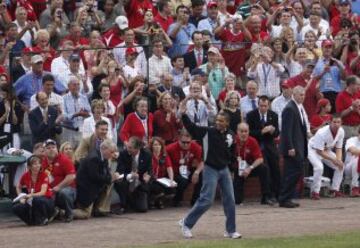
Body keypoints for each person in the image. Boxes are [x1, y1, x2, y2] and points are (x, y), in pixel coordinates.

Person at [178, 102, 241, 239]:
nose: (218, 122)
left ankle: (231, 230)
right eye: (217, 120)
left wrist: (232, 170)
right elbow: (192, 128)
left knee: (230, 199)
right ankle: (186, 224)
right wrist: (184, 115)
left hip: (224, 170)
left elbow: (232, 153)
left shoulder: (231, 135)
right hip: (210, 168)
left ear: (227, 123)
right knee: (207, 200)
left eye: (221, 121)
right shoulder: (208, 132)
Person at [278, 86, 308, 208]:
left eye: (303, 94)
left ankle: (287, 198)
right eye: (300, 94)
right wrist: (290, 147)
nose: (302, 96)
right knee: (291, 173)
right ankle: (284, 198)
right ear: (294, 95)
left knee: (296, 172)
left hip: (298, 146)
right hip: (292, 148)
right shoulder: (290, 109)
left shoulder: (298, 107)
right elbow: (286, 131)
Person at [246, 95, 280, 200]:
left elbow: (277, 132)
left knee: (275, 169)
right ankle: (266, 195)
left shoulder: (273, 115)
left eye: (265, 106)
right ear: (258, 105)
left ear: (268, 105)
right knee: (265, 170)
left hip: (270, 146)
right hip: (258, 146)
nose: (263, 108)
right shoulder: (251, 115)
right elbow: (249, 132)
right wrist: (261, 131)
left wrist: (273, 131)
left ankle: (277, 194)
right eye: (261, 106)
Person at [74, 139, 118, 219]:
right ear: (104, 148)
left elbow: (106, 173)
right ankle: (65, 212)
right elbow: (95, 177)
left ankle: (101, 209)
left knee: (110, 183)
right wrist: (110, 178)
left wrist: (112, 177)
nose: (112, 154)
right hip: (85, 189)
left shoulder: (103, 156)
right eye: (111, 152)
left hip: (93, 187)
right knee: (86, 214)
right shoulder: (94, 158)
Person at [233, 123, 274, 205]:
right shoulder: (233, 141)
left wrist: (250, 168)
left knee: (264, 168)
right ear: (237, 132)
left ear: (248, 132)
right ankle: (238, 198)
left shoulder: (252, 141)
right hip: (237, 169)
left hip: (250, 167)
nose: (244, 134)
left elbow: (260, 159)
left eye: (246, 131)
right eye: (241, 131)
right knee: (237, 201)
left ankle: (265, 197)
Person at [308, 115, 345, 200]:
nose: (336, 124)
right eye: (334, 122)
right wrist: (333, 160)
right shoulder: (322, 132)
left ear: (341, 123)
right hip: (313, 150)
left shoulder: (341, 131)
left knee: (341, 165)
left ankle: (334, 190)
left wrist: (338, 160)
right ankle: (315, 192)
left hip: (326, 150)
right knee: (319, 168)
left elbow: (339, 148)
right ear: (330, 123)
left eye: (338, 122)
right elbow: (319, 151)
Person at [13, 155, 56, 226]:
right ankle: (31, 221)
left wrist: (30, 195)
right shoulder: (25, 175)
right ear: (29, 167)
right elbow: (18, 186)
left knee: (37, 200)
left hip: (46, 200)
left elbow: (43, 192)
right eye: (35, 164)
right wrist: (20, 196)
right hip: (31, 199)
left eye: (39, 163)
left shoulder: (44, 175)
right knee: (16, 207)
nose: (37, 166)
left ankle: (43, 219)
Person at [166, 129, 203, 207]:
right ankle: (177, 199)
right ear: (179, 140)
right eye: (183, 142)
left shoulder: (195, 146)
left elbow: (202, 161)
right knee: (182, 181)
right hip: (175, 172)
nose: (186, 145)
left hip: (188, 170)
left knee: (201, 175)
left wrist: (197, 172)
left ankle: (195, 200)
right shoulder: (170, 148)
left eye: (188, 142)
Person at [42, 139, 76, 222]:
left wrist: (59, 187)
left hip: (68, 188)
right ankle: (51, 213)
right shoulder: (43, 162)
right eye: (48, 148)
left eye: (53, 147)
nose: (51, 149)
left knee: (64, 192)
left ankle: (69, 214)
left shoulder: (64, 160)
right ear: (44, 151)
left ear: (57, 148)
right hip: (51, 189)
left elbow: (71, 177)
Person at [115, 136, 152, 212]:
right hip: (127, 181)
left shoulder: (146, 155)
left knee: (142, 209)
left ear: (137, 148)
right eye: (127, 147)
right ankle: (123, 205)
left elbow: (149, 169)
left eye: (130, 148)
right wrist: (130, 175)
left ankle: (136, 201)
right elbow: (119, 171)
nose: (128, 149)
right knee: (119, 183)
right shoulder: (123, 154)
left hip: (140, 183)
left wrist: (148, 176)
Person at [149, 137, 176, 209]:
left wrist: (171, 180)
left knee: (172, 190)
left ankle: (160, 201)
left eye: (159, 145)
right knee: (159, 190)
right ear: (151, 146)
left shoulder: (164, 156)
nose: (157, 147)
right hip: (152, 179)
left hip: (161, 179)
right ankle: (153, 200)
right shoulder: (149, 155)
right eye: (155, 145)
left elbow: (169, 168)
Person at [344, 127, 360, 197]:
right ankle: (355, 187)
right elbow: (353, 151)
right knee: (357, 159)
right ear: (358, 133)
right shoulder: (351, 140)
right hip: (349, 168)